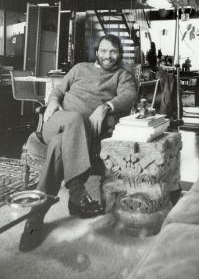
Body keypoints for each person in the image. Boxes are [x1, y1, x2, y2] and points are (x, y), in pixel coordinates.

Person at [19, 34, 136, 252]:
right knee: (74, 118)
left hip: (80, 135)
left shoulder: (123, 76)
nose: (107, 56)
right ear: (97, 52)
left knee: (59, 145)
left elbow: (129, 96)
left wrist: (106, 107)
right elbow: (58, 90)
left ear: (119, 53)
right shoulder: (80, 68)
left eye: (113, 51)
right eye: (103, 50)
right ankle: (77, 191)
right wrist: (53, 101)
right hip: (57, 121)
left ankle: (34, 221)